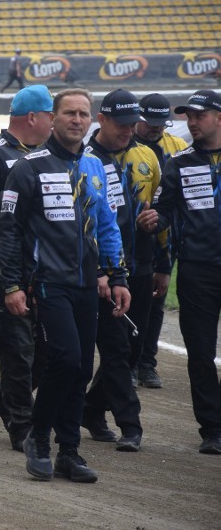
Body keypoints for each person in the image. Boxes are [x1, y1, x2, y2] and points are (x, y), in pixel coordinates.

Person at [0, 88, 130, 483]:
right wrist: (11, 285)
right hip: (47, 282)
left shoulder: (94, 168)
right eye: (69, 113)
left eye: (83, 114)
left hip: (87, 284)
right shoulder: (28, 167)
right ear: (52, 118)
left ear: (91, 120)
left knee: (80, 368)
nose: (77, 120)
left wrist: (117, 275)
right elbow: (8, 232)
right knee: (67, 359)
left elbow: (107, 226)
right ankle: (38, 437)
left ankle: (69, 453)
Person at [0, 84, 53, 450]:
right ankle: (22, 425)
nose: (54, 121)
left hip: (51, 267)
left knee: (50, 352)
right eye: (51, 114)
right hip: (8, 266)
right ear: (33, 117)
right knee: (18, 350)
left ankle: (4, 396)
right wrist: (20, 193)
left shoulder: (53, 155)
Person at [82, 89, 164, 453]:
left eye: (133, 124)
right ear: (102, 119)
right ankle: (131, 424)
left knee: (131, 347)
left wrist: (161, 258)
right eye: (121, 124)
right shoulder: (82, 159)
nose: (129, 131)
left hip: (141, 265)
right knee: (113, 349)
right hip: (100, 273)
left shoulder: (147, 155)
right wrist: (102, 270)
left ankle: (91, 409)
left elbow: (163, 211)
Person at [146, 89, 221, 455]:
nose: (192, 122)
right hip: (197, 270)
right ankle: (213, 429)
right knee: (201, 352)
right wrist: (152, 219)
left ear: (219, 118)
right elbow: (164, 210)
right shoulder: (179, 162)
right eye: (188, 116)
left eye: (200, 115)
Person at [131, 93, 188, 389]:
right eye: (150, 123)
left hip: (168, 239)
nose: (155, 129)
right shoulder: (129, 147)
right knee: (127, 303)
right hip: (134, 238)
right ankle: (127, 361)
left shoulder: (177, 148)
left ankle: (146, 363)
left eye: (160, 124)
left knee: (156, 303)